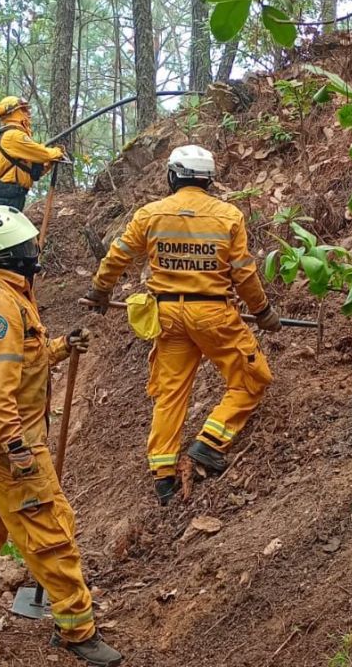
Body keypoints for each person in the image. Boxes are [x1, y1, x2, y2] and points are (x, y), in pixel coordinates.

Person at [0, 206, 122, 666]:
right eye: (28, 246)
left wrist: (59, 349)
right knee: (48, 527)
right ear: (10, 253)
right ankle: (77, 626)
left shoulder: (6, 295)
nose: (35, 251)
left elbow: (19, 364)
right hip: (6, 443)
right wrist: (18, 448)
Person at [85, 145, 282, 505]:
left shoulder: (151, 214)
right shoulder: (228, 216)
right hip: (213, 316)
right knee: (254, 378)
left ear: (172, 176)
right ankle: (208, 443)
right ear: (209, 179)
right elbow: (243, 273)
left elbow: (119, 255)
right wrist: (263, 311)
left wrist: (100, 291)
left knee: (170, 393)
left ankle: (163, 476)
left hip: (169, 318)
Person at [0, 95, 65, 204]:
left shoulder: (13, 135)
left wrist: (49, 163)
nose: (28, 114)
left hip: (14, 193)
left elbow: (32, 170)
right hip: (8, 194)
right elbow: (43, 154)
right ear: (13, 112)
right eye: (24, 110)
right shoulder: (13, 136)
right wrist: (57, 152)